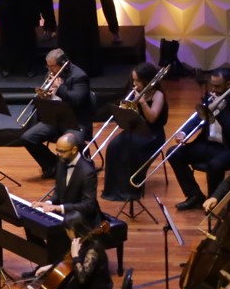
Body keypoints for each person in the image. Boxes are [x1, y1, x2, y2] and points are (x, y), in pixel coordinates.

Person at [171, 68, 230, 210]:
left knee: (215, 165)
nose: (213, 90)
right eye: (212, 85)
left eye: (217, 86)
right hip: (207, 144)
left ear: (228, 84)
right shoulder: (210, 98)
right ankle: (194, 195)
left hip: (229, 149)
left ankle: (213, 201)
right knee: (173, 153)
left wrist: (220, 111)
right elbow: (197, 118)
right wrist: (184, 133)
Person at [101, 63, 170, 203]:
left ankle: (130, 189)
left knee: (132, 150)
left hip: (152, 134)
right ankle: (113, 189)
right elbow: (128, 116)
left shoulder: (158, 95)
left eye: (137, 80)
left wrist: (143, 102)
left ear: (146, 80)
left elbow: (152, 119)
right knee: (114, 146)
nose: (134, 83)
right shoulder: (135, 92)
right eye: (133, 80)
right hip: (136, 130)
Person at [19, 49, 93, 179]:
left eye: (52, 66)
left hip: (75, 122)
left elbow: (76, 101)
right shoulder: (51, 73)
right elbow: (51, 98)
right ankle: (53, 166)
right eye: (48, 65)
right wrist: (45, 97)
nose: (49, 69)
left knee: (74, 140)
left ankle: (77, 166)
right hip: (55, 119)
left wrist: (59, 89)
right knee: (27, 138)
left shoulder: (79, 76)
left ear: (64, 63)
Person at [32, 132, 101, 225]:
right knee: (33, 222)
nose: (58, 154)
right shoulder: (61, 163)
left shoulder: (87, 172)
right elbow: (58, 192)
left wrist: (60, 208)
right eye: (57, 150)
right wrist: (48, 203)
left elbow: (88, 205)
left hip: (82, 219)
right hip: (65, 213)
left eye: (62, 151)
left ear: (74, 150)